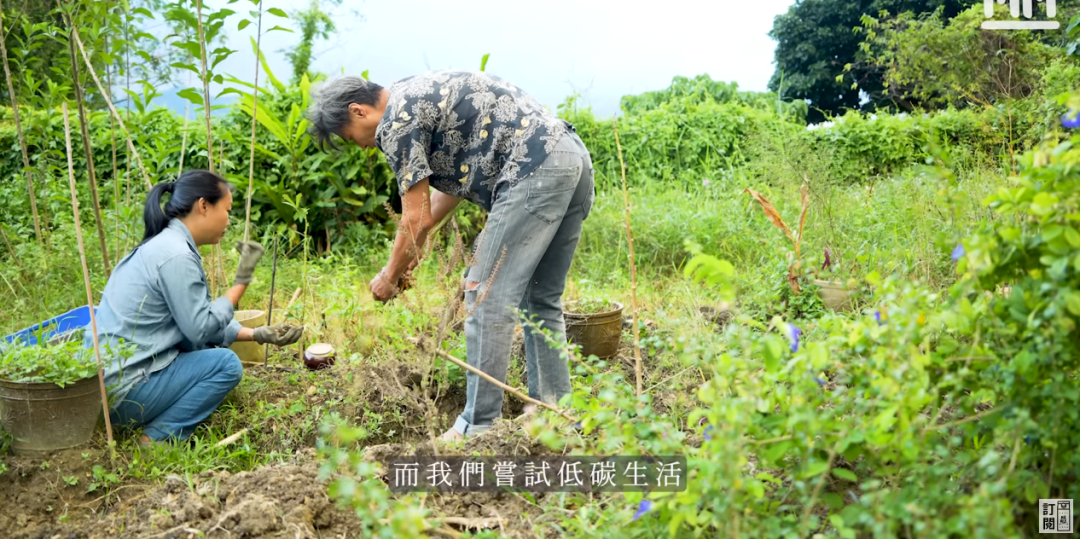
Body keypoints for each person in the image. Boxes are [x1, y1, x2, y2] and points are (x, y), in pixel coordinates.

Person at [306, 70, 594, 440]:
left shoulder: (396, 123)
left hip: (533, 168)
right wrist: (418, 241)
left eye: (352, 138)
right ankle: (555, 413)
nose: (362, 146)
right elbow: (442, 199)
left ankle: (479, 426)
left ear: (358, 111)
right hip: (570, 157)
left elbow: (414, 215)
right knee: (541, 297)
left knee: (483, 295)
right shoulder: (417, 93)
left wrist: (388, 276)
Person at [85, 169, 305, 447]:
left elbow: (190, 322)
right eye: (226, 210)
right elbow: (199, 328)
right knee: (225, 364)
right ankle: (157, 439)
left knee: (203, 351)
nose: (228, 219)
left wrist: (257, 334)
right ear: (203, 206)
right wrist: (241, 282)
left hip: (99, 391)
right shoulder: (176, 255)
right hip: (123, 393)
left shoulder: (162, 246)